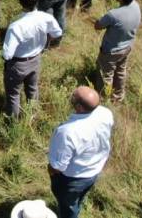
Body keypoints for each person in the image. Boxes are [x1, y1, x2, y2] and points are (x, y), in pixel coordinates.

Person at [47, 86, 113, 218]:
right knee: (80, 196)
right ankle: (76, 206)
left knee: (68, 207)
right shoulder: (105, 113)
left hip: (73, 178)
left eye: (73, 97)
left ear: (79, 107)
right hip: (94, 170)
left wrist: (51, 170)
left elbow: (59, 167)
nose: (71, 97)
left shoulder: (67, 132)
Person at [2, 0, 63, 118]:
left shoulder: (16, 26)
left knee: (13, 95)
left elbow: (7, 54)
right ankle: (33, 116)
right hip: (36, 59)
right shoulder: (46, 18)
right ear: (37, 0)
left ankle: (13, 124)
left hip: (17, 64)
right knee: (32, 89)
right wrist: (46, 42)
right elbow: (58, 32)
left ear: (20, 2)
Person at [94, 0, 140, 104]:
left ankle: (104, 100)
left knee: (106, 75)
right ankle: (118, 97)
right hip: (127, 47)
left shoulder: (113, 15)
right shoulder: (136, 6)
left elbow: (98, 26)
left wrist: (97, 22)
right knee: (120, 72)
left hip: (111, 51)